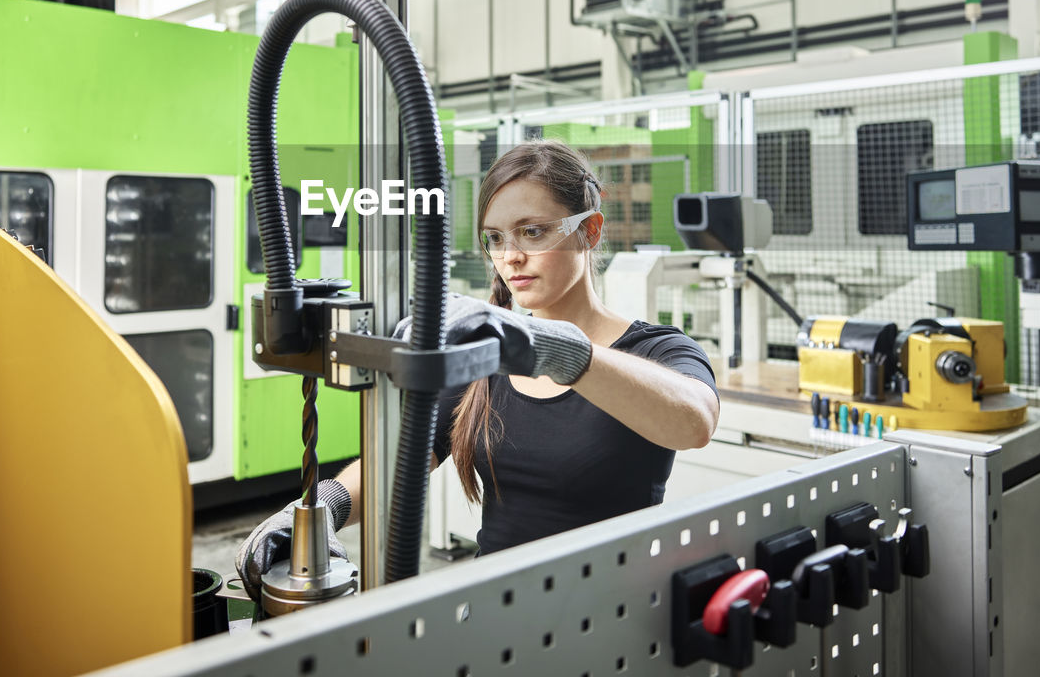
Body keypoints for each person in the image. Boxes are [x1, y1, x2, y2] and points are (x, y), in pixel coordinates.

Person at [238, 138, 719, 597]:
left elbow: (694, 420)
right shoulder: (490, 356)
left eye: (533, 232)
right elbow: (399, 462)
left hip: (607, 613)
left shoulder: (654, 350)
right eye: (495, 238)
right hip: (494, 609)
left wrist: (561, 351)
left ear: (588, 230)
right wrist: (318, 509)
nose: (511, 256)